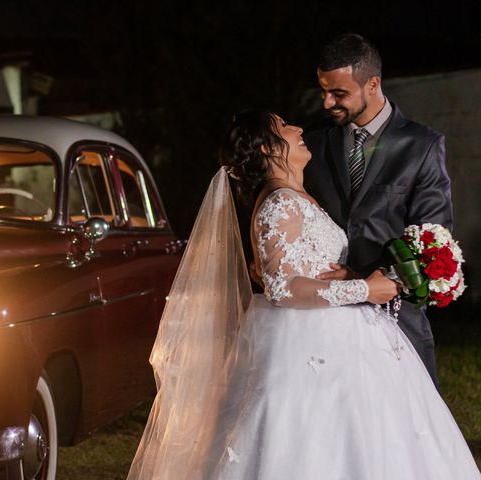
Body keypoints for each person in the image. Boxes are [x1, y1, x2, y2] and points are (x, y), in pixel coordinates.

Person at [127, 109, 479, 479]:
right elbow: (281, 286)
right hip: (303, 344)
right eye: (283, 127)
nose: (297, 129)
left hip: (339, 335)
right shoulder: (279, 202)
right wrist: (365, 289)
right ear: (266, 148)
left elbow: (305, 268)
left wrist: (355, 277)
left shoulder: (298, 196)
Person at [303, 33, 453, 385]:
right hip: (324, 321)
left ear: (373, 84)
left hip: (395, 321)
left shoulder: (422, 146)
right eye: (323, 91)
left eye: (339, 93)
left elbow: (434, 234)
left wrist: (368, 281)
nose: (327, 103)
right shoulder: (310, 141)